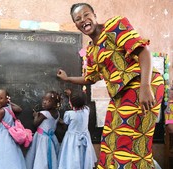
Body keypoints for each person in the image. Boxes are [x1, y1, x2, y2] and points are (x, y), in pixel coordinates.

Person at [56, 3, 165, 169]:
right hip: (120, 94)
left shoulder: (115, 25)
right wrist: (68, 78)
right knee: (109, 141)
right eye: (78, 19)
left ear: (95, 15)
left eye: (86, 15)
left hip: (141, 83)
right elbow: (90, 78)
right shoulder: (91, 51)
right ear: (76, 25)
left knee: (128, 143)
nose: (83, 20)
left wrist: (145, 87)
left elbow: (143, 52)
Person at [0, 89, 26, 169]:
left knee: (2, 155)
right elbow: (19, 109)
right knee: (11, 154)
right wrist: (8, 102)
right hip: (10, 136)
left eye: (1, 98)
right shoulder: (9, 107)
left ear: (6, 99)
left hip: (3, 137)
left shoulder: (2, 111)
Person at [58, 90, 97, 169]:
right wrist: (72, 96)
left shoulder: (69, 114)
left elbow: (65, 124)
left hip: (72, 141)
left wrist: (61, 122)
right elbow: (82, 105)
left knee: (72, 157)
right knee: (82, 155)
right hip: (85, 138)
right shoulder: (87, 110)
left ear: (70, 103)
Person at [25, 91, 60, 169]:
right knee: (49, 155)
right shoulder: (57, 113)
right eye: (44, 99)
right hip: (52, 138)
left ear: (54, 104)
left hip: (42, 139)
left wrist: (35, 116)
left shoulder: (44, 113)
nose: (44, 102)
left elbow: (35, 123)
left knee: (41, 155)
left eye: (48, 101)